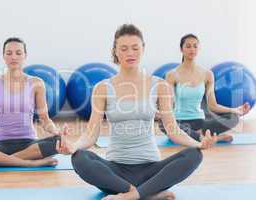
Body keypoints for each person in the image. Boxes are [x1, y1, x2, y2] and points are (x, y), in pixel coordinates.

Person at [57, 24, 217, 200]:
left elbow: (173, 130)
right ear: (115, 51)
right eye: (123, 48)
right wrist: (73, 146)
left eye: (135, 47)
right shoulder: (102, 88)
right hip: (115, 172)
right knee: (79, 158)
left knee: (194, 154)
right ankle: (145, 194)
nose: (130, 53)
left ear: (143, 49)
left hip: (151, 170)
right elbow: (91, 134)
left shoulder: (159, 85)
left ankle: (130, 195)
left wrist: (198, 144)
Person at [0, 37, 65, 167]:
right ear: (3, 56)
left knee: (59, 141)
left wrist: (55, 130)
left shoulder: (36, 83)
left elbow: (45, 119)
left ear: (25, 55)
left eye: (18, 53)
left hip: (29, 143)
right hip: (1, 143)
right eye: (9, 53)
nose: (13, 57)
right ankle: (30, 163)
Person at [159, 34, 250, 143]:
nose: (192, 49)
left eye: (195, 46)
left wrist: (235, 110)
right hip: (179, 121)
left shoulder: (207, 74)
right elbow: (169, 103)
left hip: (200, 122)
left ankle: (195, 136)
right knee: (163, 124)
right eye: (188, 46)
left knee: (233, 118)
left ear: (199, 48)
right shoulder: (172, 75)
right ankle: (207, 138)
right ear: (181, 49)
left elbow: (213, 106)